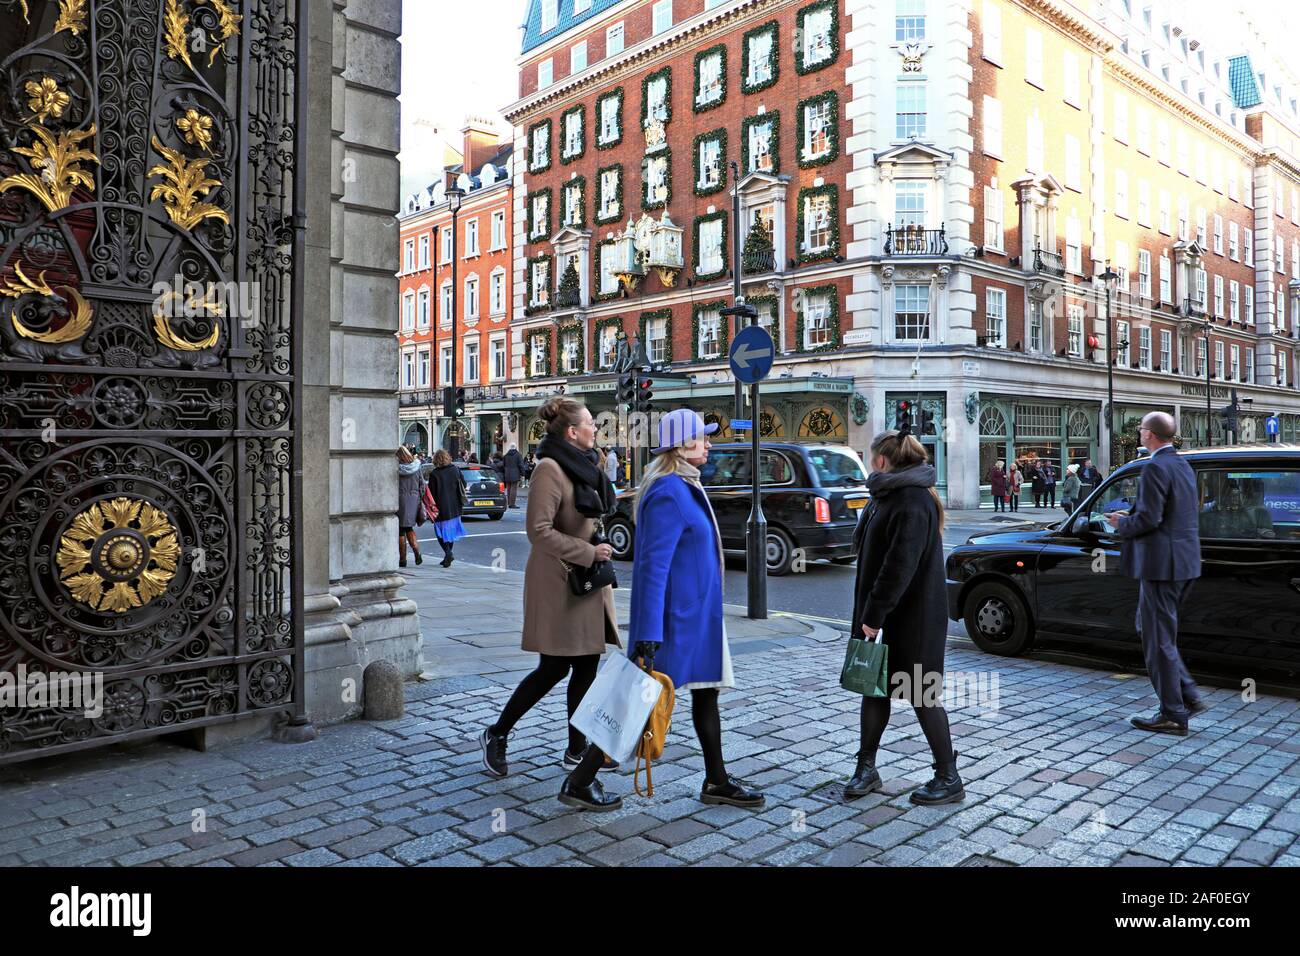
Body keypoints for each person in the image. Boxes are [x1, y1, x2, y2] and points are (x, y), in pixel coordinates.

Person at [568, 408, 765, 810]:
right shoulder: (668, 491)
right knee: (634, 699)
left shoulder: (685, 484)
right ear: (682, 444)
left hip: (698, 619)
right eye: (703, 437)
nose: (709, 443)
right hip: (674, 622)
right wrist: (648, 633)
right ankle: (580, 779)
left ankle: (717, 780)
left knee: (706, 693)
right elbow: (652, 569)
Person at [480, 398, 623, 809]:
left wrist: (596, 543)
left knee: (587, 664)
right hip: (559, 581)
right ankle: (497, 732)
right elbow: (538, 532)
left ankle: (576, 749)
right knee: (554, 666)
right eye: (590, 424)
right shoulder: (549, 468)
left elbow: (588, 518)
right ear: (571, 432)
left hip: (586, 580)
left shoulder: (587, 465)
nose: (596, 429)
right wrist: (586, 550)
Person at [845, 429, 963, 805]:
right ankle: (867, 768)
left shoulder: (911, 499)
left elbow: (899, 565)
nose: (867, 460)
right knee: (873, 687)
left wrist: (873, 615)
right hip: (883, 613)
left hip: (913, 617)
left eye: (869, 455)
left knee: (922, 693)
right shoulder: (887, 494)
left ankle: (948, 776)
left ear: (881, 459)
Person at [1104, 412, 1206, 736]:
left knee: (1157, 638)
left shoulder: (1155, 467)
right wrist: (1132, 515)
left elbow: (1150, 518)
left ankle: (1174, 713)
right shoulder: (1181, 465)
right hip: (1183, 563)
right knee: (1153, 630)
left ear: (1150, 435)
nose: (1139, 434)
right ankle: (1185, 696)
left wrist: (1122, 523)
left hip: (1163, 565)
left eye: (1141, 430)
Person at [427, 450, 467, 567]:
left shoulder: (434, 474)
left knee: (439, 532)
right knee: (451, 532)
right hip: (455, 505)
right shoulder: (455, 470)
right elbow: (463, 484)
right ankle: (447, 556)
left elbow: (431, 493)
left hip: (441, 507)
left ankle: (448, 553)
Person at [396, 445, 426, 568]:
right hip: (414, 500)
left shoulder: (396, 468)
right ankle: (417, 552)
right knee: (409, 527)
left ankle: (402, 559)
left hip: (400, 499)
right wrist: (418, 498)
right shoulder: (417, 467)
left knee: (401, 530)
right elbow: (422, 485)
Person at [501, 443, 524, 508]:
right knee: (514, 489)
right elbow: (521, 465)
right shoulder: (518, 455)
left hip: (507, 473)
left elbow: (503, 465)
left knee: (508, 488)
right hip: (515, 473)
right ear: (515, 447)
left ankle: (509, 503)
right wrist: (523, 474)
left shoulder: (505, 455)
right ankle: (512, 504)